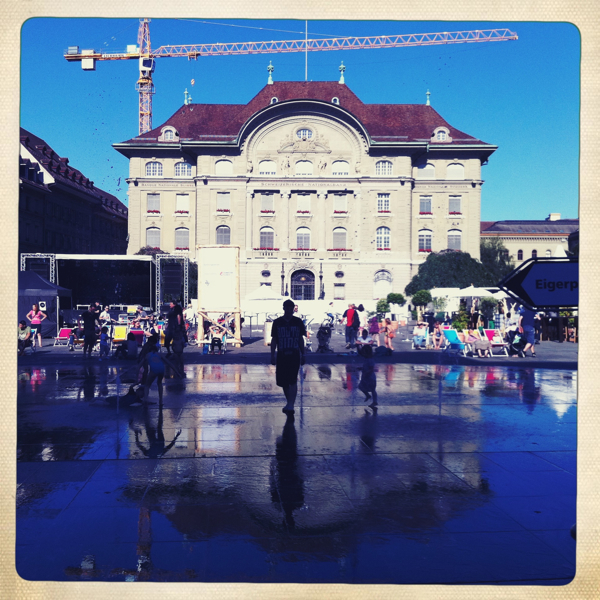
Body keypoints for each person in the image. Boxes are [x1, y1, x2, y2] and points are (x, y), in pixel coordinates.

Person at [270, 299, 306, 414]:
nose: (289, 311)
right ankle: (289, 402)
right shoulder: (277, 322)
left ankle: (291, 404)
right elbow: (274, 339)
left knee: (293, 379)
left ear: (293, 309)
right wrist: (272, 355)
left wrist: (303, 353)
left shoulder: (298, 321)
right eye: (287, 308)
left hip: (294, 354)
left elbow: (300, 339)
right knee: (283, 381)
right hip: (282, 354)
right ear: (284, 308)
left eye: (291, 309)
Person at [357, 344, 378, 408]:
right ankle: (368, 395)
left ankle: (375, 402)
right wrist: (361, 368)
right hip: (365, 377)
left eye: (364, 353)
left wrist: (366, 373)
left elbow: (371, 369)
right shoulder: (366, 359)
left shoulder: (370, 360)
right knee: (360, 386)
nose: (363, 354)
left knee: (373, 390)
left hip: (370, 377)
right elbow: (366, 366)